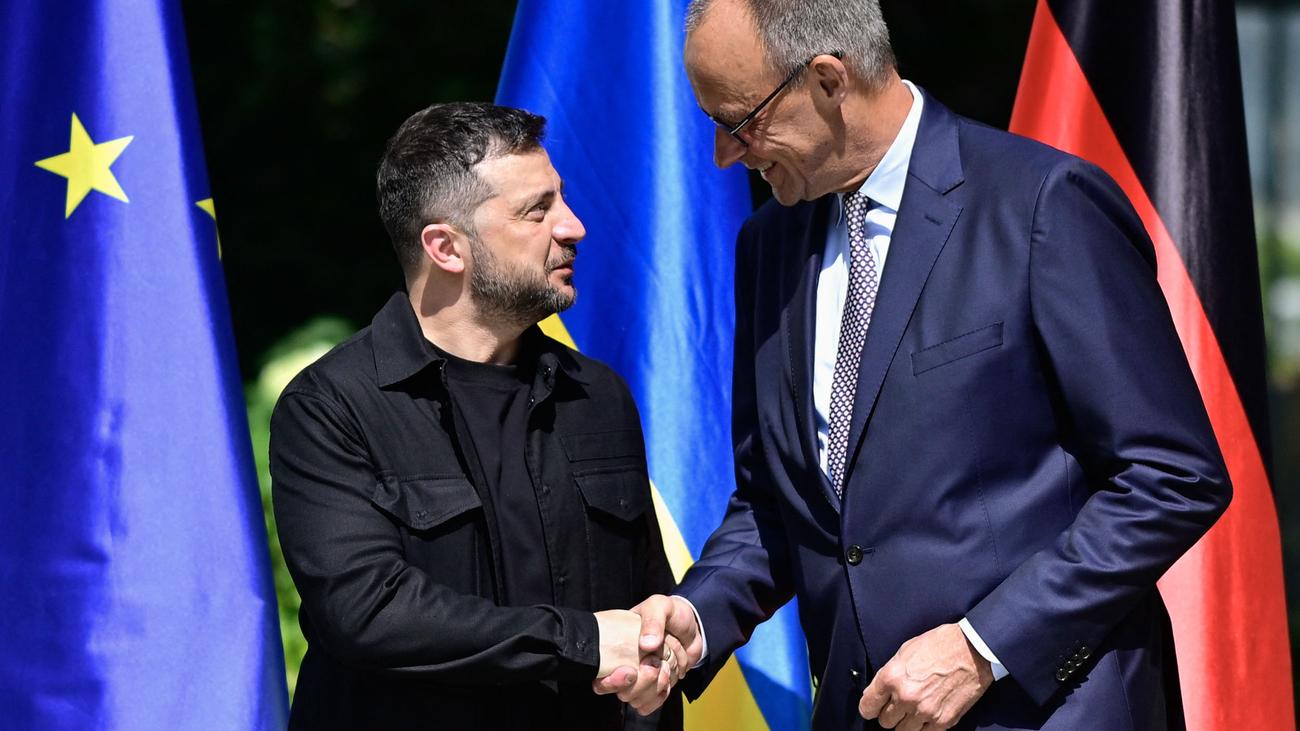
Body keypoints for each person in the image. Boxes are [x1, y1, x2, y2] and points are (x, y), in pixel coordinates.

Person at [597, 1, 1232, 728]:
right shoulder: (768, 245)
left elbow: (1171, 476)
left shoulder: (1040, 203)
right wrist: (697, 617)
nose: (723, 154)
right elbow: (778, 501)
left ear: (829, 80)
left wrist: (982, 646)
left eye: (739, 121)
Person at [270, 102, 683, 730]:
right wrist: (583, 642)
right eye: (536, 210)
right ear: (446, 248)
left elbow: (644, 606)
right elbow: (367, 611)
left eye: (562, 200)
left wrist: (653, 665)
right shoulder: (331, 406)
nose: (573, 226)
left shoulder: (597, 395)